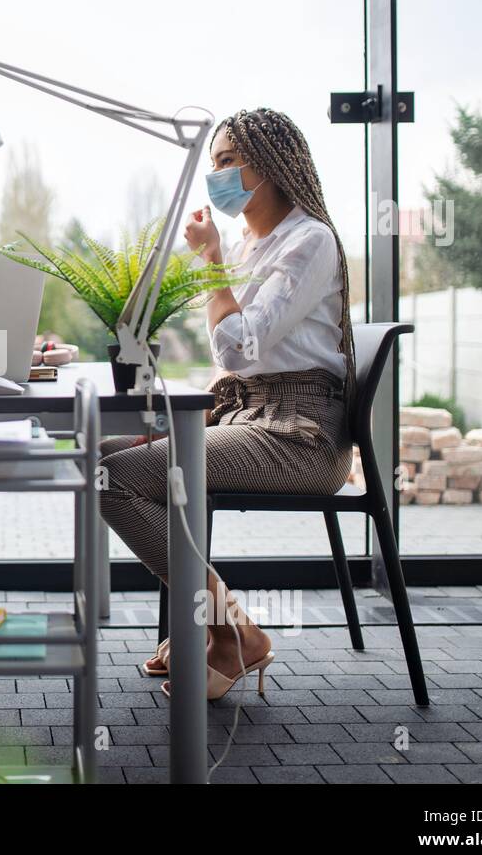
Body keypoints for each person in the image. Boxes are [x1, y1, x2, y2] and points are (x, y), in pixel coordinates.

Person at [99, 107, 357, 701]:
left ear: (266, 166)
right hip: (247, 419)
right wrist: (172, 422)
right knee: (107, 455)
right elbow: (232, 369)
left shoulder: (309, 241)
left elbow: (238, 348)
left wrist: (211, 264)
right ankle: (219, 625)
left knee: (108, 475)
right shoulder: (248, 243)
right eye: (212, 162)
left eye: (224, 162)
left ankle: (231, 631)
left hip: (300, 438)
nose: (214, 175)